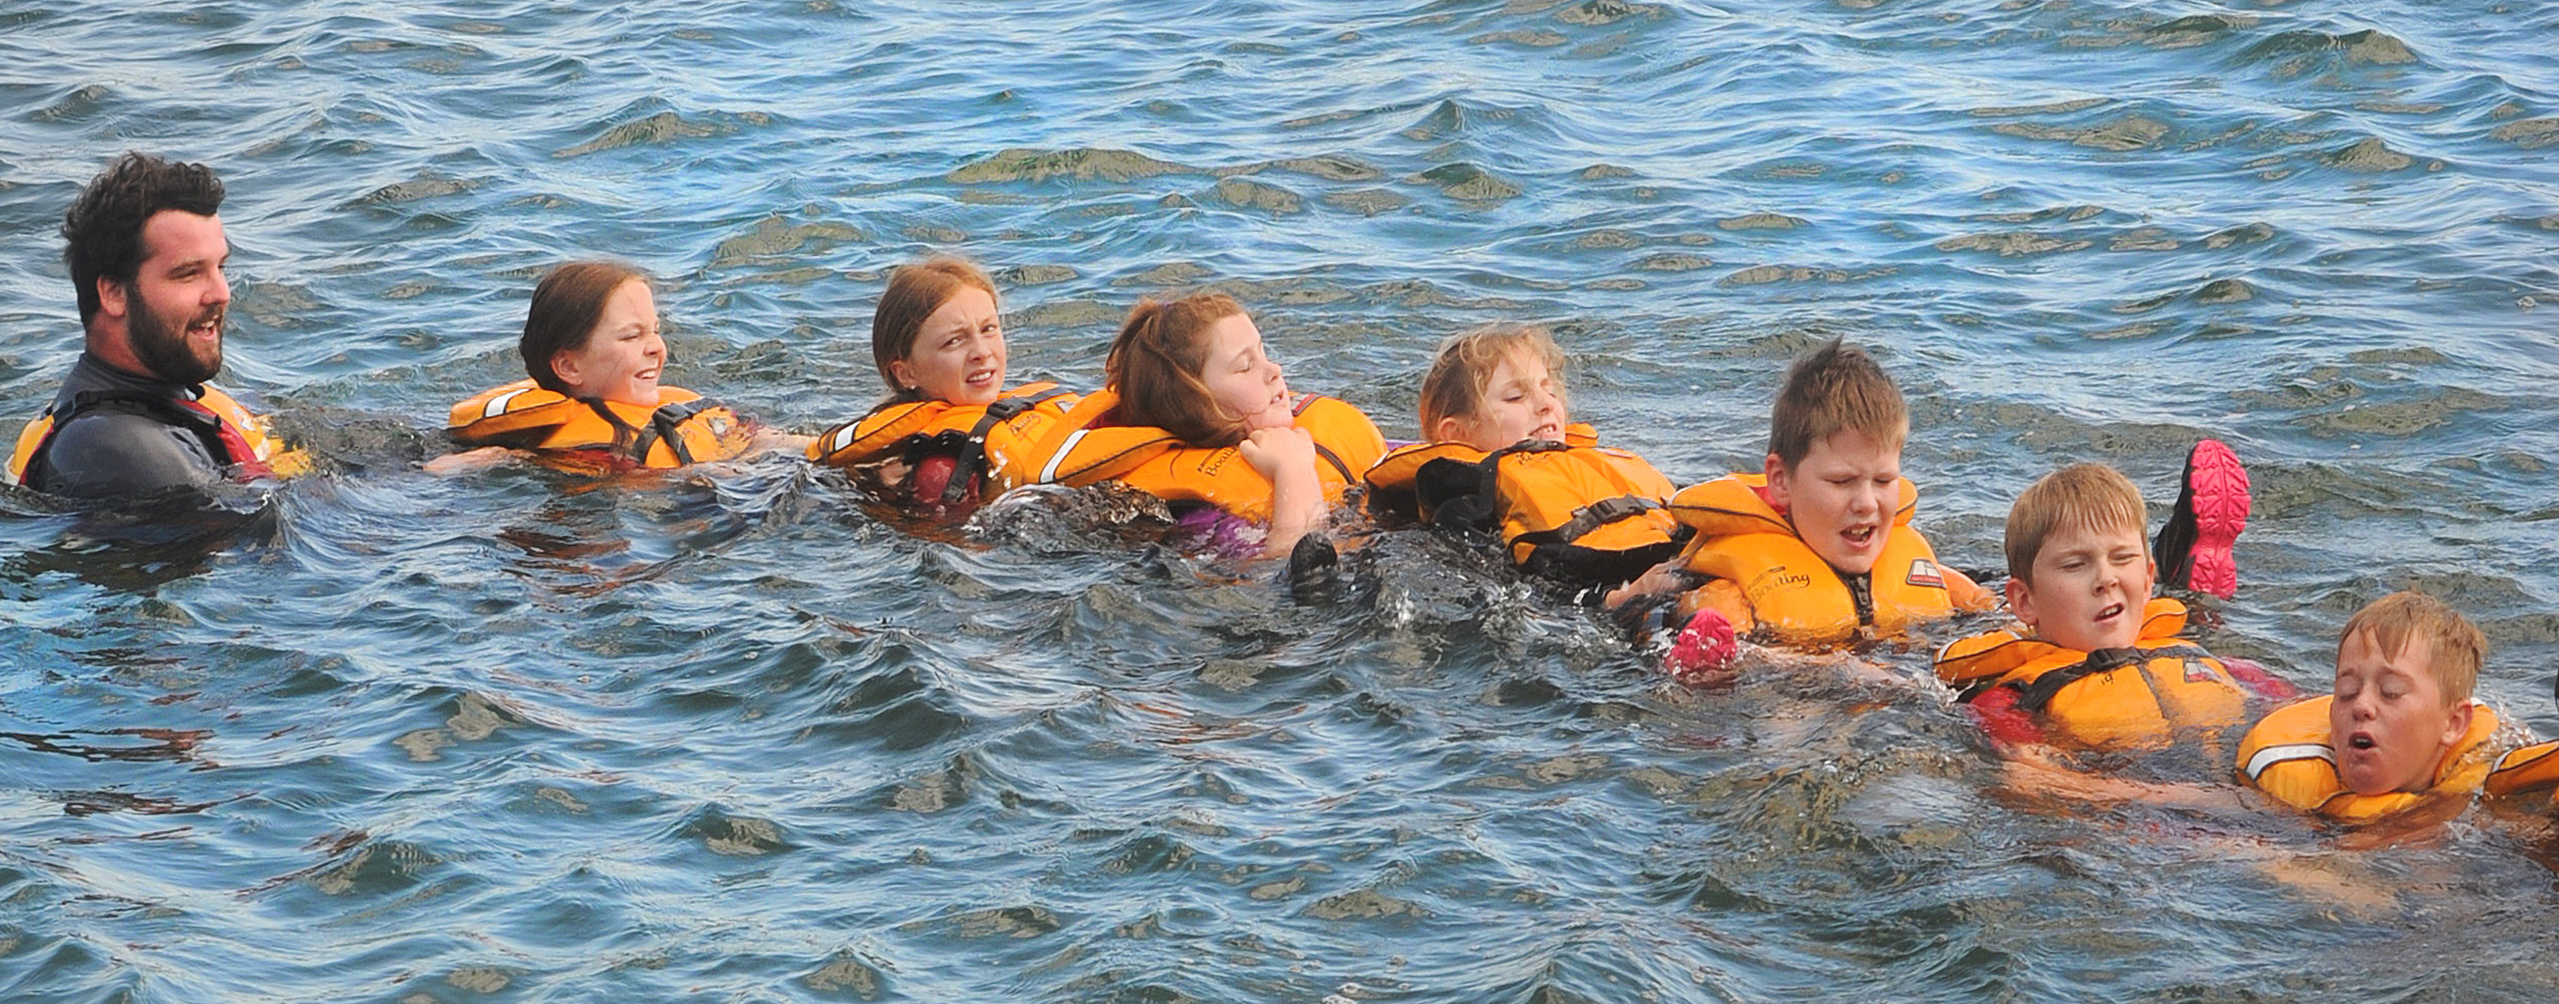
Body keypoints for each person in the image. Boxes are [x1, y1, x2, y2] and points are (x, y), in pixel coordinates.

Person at [1605, 339, 1995, 682]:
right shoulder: (1736, 585)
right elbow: (1711, 640)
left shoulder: (1912, 562)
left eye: (1883, 480)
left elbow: (1981, 605)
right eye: (1841, 482)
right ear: (1780, 479)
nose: (1866, 503)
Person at [6, 152, 305, 498]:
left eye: (220, 268)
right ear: (114, 293)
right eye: (188, 274)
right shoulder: (113, 449)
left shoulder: (164, 395)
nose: (221, 294)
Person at [1023, 292, 1383, 559]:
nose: (1274, 371)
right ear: (1195, 404)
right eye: (1245, 366)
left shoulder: (1318, 431)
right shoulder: (1204, 517)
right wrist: (1294, 470)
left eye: (1264, 352)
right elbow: (1290, 571)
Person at [1935, 463, 2261, 749]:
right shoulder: (2013, 703)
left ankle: (2181, 570)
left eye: (2121, 558)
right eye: (2075, 564)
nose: (2106, 578)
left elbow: (2291, 707)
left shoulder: (2210, 662)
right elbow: (2038, 782)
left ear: (2147, 581)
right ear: (2025, 601)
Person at [1362, 323, 1686, 589]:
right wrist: (1618, 599)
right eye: (1516, 396)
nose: (1546, 404)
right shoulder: (1465, 496)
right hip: (1592, 599)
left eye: (1549, 389)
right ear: (1456, 433)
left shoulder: (1595, 464)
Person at [443, 261, 774, 473]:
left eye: (656, 330)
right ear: (569, 367)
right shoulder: (584, 452)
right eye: (631, 336)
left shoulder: (675, 406)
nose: (656, 347)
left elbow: (756, 441)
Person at [805, 256, 1079, 507]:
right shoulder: (938, 471)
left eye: (988, 329)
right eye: (954, 341)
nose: (982, 352)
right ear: (906, 374)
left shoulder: (1019, 408)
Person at [2236, 590, 2503, 823]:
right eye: (2347, 692)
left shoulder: (2487, 794)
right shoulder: (2276, 798)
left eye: (2391, 692)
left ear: (2453, 723)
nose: (2361, 706)